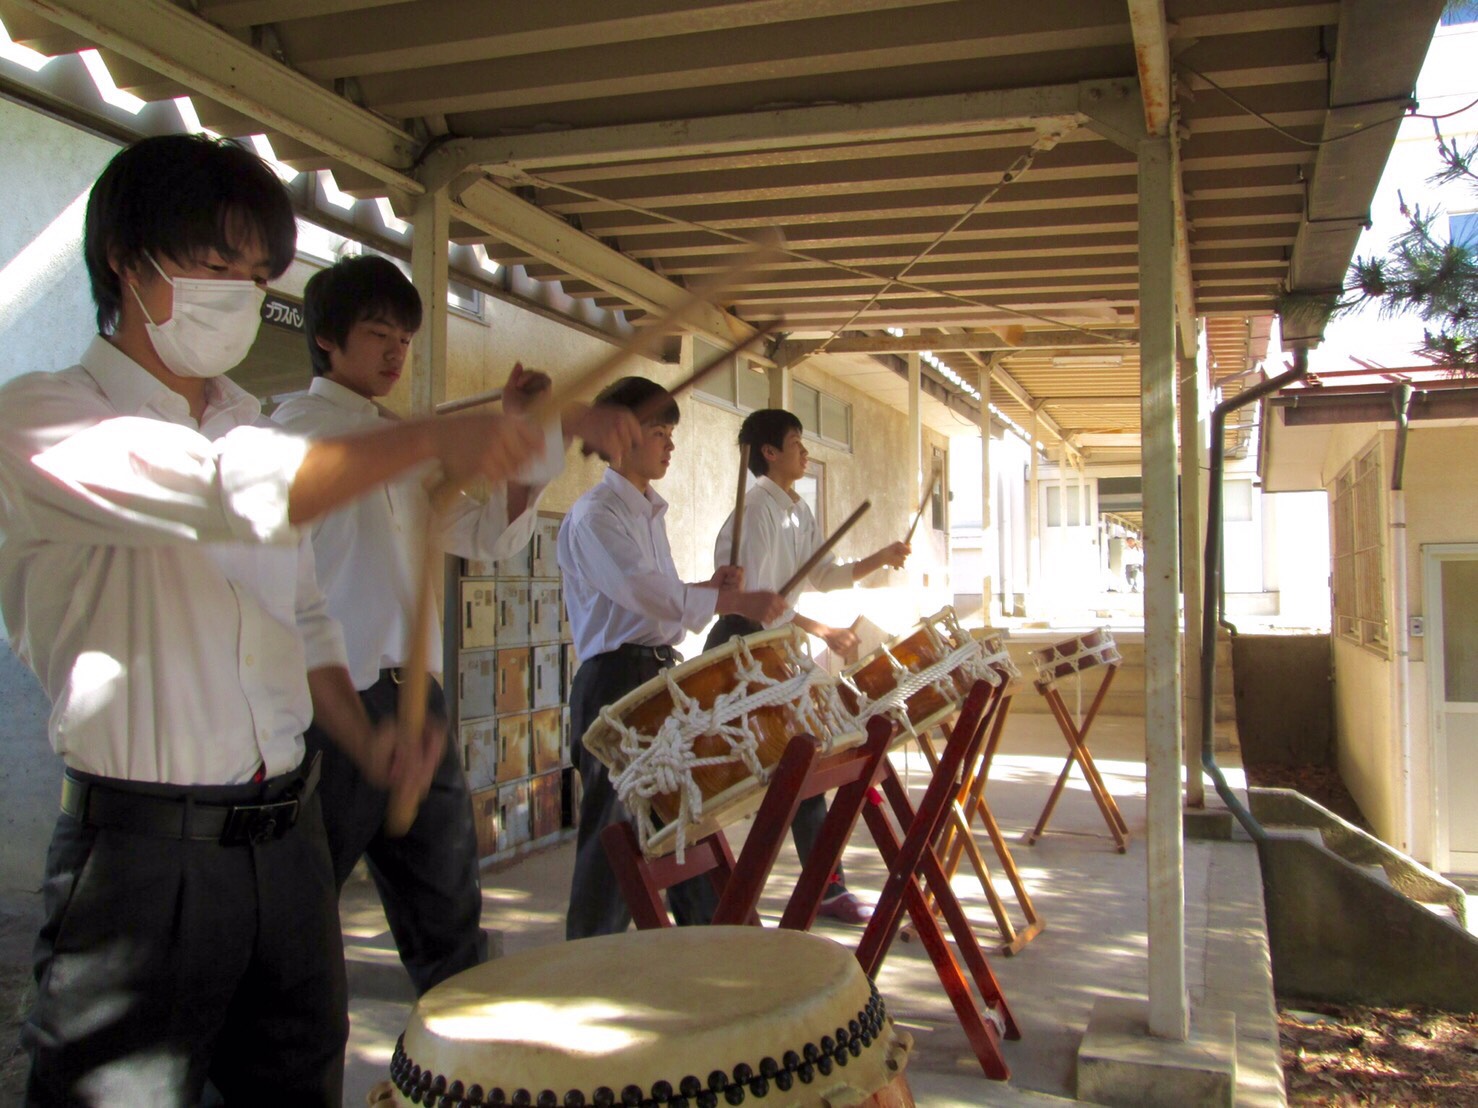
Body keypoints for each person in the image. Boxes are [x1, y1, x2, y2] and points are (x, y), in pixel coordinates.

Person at [0, 133, 544, 1106]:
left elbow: (304, 619)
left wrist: (364, 738)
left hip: (286, 838)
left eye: (257, 275)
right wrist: (433, 435)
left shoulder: (245, 422)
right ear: (127, 263)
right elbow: (229, 496)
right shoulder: (45, 414)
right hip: (143, 856)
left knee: (296, 1078)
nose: (242, 297)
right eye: (215, 267)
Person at [271, 254, 641, 994]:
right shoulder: (293, 431)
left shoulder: (403, 438)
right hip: (329, 706)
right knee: (296, 922)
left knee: (448, 909)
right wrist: (512, 426)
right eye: (378, 334)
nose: (395, 352)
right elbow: (346, 467)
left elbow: (486, 538)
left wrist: (527, 461)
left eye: (404, 338)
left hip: (420, 703)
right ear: (326, 343)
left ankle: (465, 1063)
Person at [558, 376, 786, 939]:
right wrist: (726, 598)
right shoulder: (596, 516)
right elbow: (641, 593)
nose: (669, 444)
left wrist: (706, 586)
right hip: (614, 684)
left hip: (654, 675)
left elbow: (658, 604)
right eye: (658, 432)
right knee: (613, 834)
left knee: (684, 816)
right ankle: (587, 966)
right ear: (619, 438)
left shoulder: (645, 513)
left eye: (669, 432)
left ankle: (710, 940)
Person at [707, 408, 910, 924]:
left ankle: (823, 882)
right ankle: (705, 886)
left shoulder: (798, 510)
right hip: (743, 647)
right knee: (732, 770)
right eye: (795, 441)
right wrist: (823, 632)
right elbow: (758, 603)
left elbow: (825, 575)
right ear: (769, 453)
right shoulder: (755, 514)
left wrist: (880, 557)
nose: (805, 451)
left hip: (776, 649)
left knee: (804, 761)